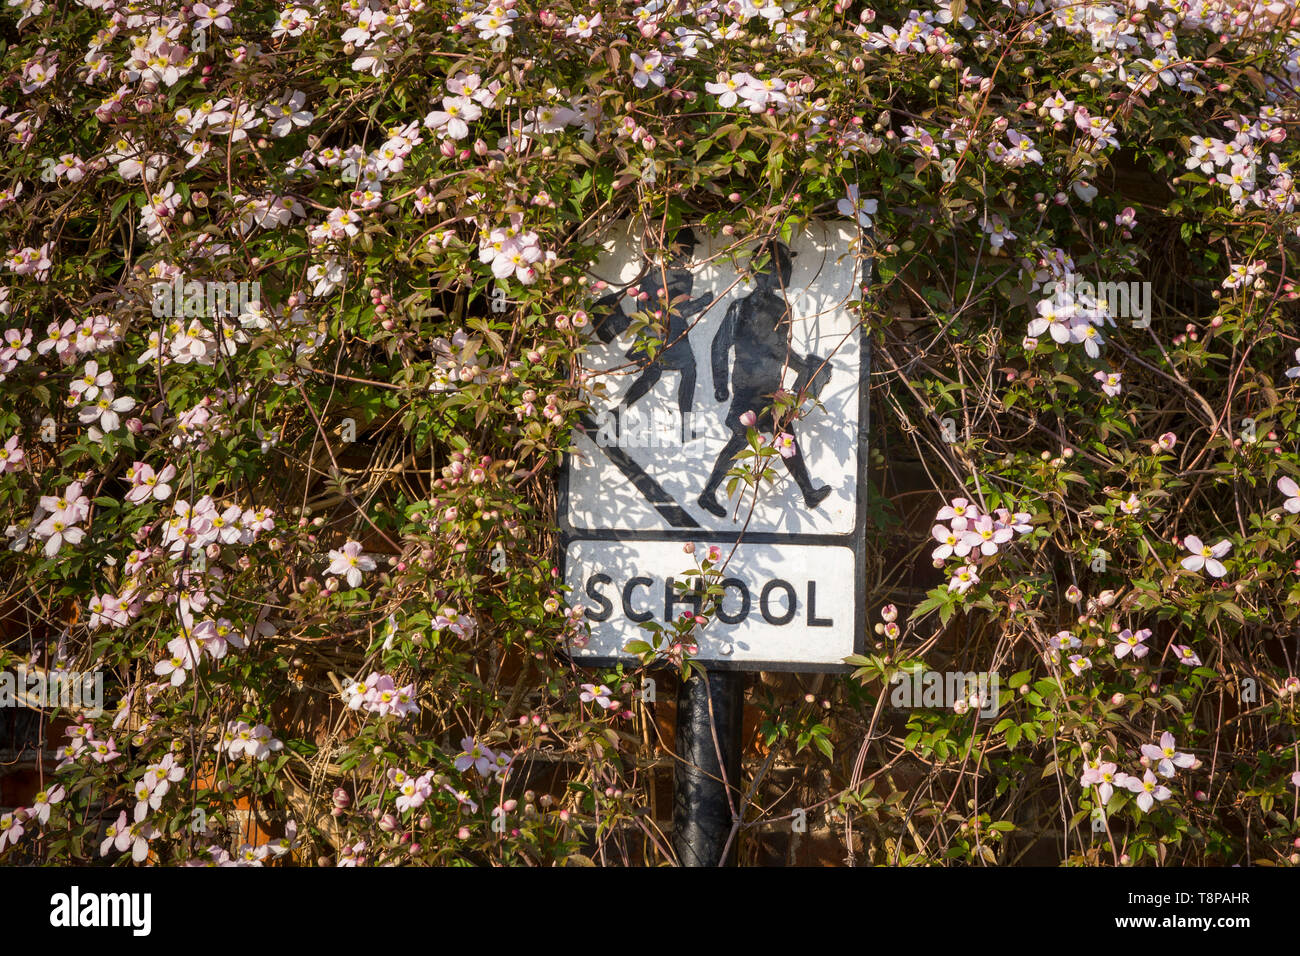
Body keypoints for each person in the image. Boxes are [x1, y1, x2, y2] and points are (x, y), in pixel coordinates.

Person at [698, 240, 832, 519]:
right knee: (740, 441)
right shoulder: (741, 308)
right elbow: (720, 345)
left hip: (771, 389)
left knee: (784, 438)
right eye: (785, 267)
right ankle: (709, 492)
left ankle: (807, 492)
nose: (789, 272)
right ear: (769, 271)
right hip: (747, 389)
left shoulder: (781, 307)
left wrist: (806, 368)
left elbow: (779, 349)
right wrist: (720, 385)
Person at [587, 229, 713, 421]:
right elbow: (680, 311)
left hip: (653, 334)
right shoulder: (681, 277)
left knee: (652, 375)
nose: (690, 256)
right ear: (677, 251)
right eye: (689, 251)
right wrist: (703, 302)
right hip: (669, 336)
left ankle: (619, 411)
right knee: (688, 370)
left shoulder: (652, 275)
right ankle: (686, 421)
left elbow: (647, 305)